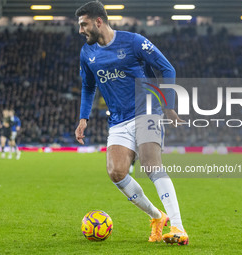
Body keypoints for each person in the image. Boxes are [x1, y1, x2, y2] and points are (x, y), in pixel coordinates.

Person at [74, 1, 188, 245]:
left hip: (148, 111)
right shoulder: (87, 53)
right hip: (118, 121)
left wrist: (168, 105)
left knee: (150, 164)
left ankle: (178, 227)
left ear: (98, 21)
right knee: (116, 172)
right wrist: (83, 118)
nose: (81, 30)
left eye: (84, 25)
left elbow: (167, 68)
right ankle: (157, 217)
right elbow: (88, 85)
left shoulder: (134, 42)